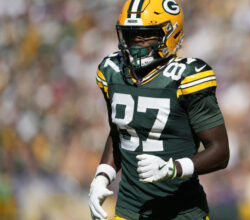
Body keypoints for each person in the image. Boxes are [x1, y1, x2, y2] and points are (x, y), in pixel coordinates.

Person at [88, 0, 230, 219]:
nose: (136, 43)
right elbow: (120, 132)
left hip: (182, 212)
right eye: (131, 35)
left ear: (170, 34)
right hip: (131, 210)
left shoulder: (187, 77)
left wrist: (173, 168)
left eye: (146, 35)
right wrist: (102, 176)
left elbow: (220, 152)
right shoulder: (113, 71)